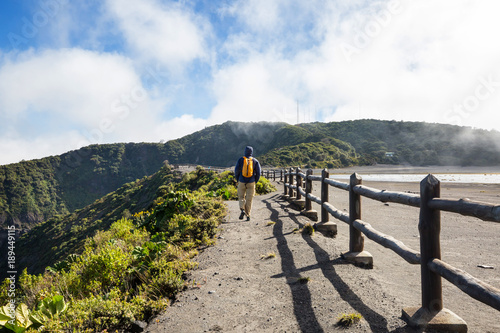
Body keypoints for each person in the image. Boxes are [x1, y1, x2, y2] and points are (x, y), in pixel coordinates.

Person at [234, 146, 261, 221]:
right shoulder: (255, 161)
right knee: (249, 199)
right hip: (251, 182)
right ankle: (248, 215)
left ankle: (242, 209)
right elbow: (258, 173)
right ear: (251, 152)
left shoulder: (240, 160)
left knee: (241, 197)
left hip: (242, 181)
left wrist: (238, 179)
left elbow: (236, 171)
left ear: (245, 151)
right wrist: (255, 181)